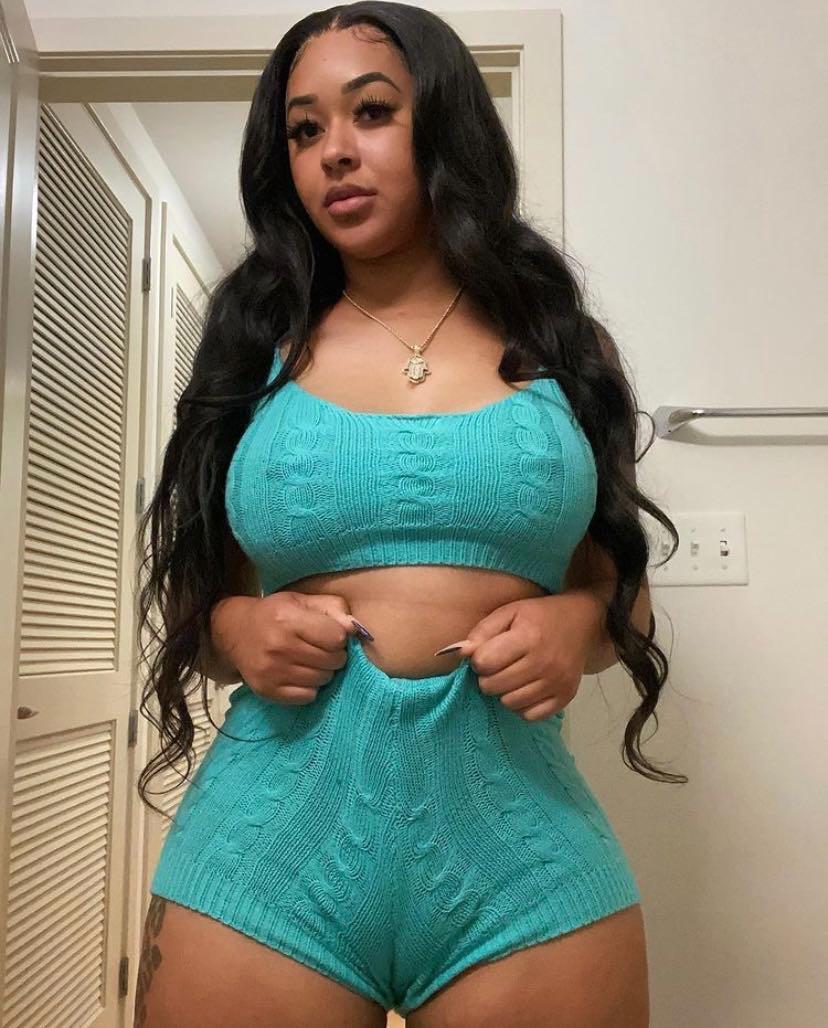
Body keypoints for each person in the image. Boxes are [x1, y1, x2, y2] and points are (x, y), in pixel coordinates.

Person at [135, 3, 682, 1026]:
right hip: (266, 851)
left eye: (372, 111)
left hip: (521, 859)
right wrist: (239, 627)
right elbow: (197, 603)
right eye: (304, 129)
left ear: (446, 124)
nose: (334, 152)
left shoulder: (565, 347)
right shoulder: (252, 347)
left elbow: (626, 599)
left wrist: (577, 623)